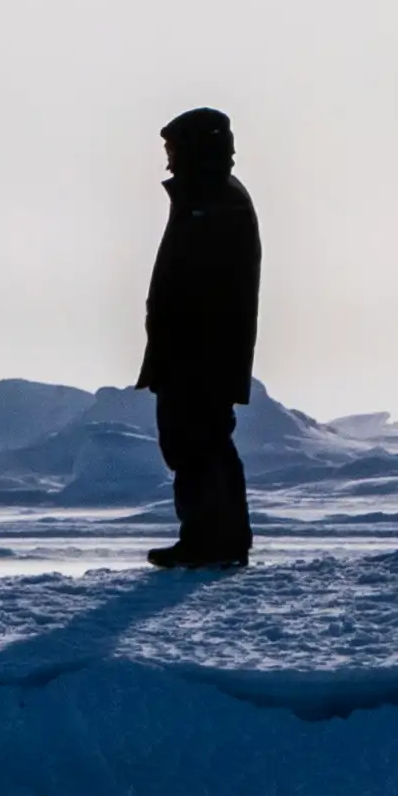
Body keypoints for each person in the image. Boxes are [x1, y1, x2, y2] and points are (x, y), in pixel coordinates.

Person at [138, 109, 263, 573]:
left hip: (201, 350)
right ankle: (211, 537)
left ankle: (213, 539)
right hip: (192, 348)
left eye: (173, 148)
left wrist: (182, 344)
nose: (167, 159)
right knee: (194, 442)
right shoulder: (206, 196)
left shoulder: (215, 200)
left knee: (199, 442)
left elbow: (205, 286)